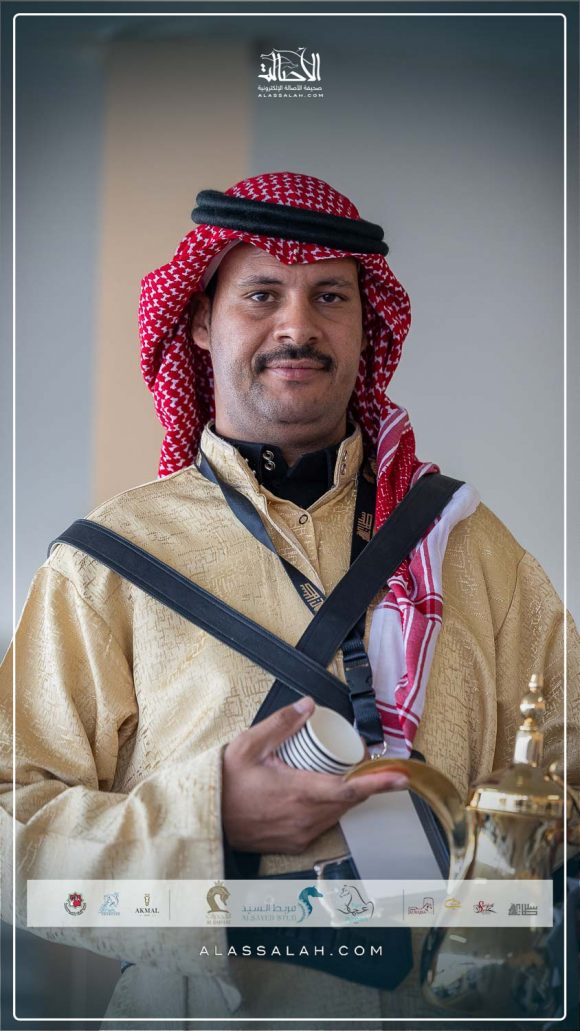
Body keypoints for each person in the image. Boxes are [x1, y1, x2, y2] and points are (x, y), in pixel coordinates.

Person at [1, 171, 578, 1029]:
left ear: (365, 323)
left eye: (329, 297)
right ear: (202, 320)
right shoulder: (105, 564)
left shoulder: (465, 541)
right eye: (262, 294)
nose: (297, 327)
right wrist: (211, 820)